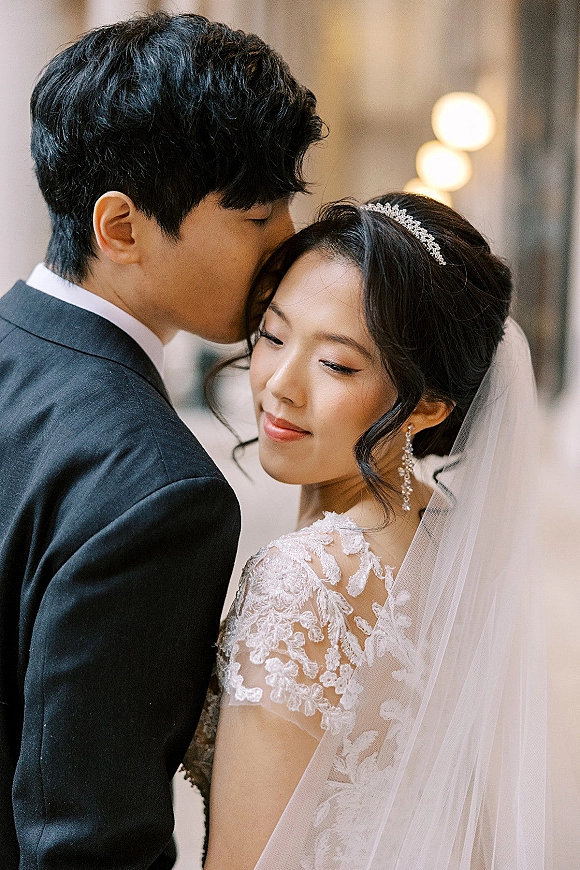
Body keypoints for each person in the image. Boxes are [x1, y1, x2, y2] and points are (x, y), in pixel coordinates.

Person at [0, 12, 323, 869]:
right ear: (122, 228)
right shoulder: (159, 492)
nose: (291, 244)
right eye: (258, 217)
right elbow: (90, 843)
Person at [183, 192, 580, 868]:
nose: (280, 383)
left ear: (427, 405)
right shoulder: (451, 540)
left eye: (336, 364)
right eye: (275, 335)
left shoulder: (304, 580)